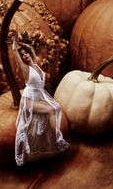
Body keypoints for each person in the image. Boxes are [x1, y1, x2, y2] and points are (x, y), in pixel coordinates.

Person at [11, 33, 70, 166]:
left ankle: (52, 145)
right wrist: (15, 42)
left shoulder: (36, 65)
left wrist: (27, 47)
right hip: (29, 101)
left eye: (26, 53)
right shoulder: (25, 68)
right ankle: (58, 138)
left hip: (39, 97)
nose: (25, 55)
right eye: (23, 55)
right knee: (51, 109)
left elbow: (32, 51)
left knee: (57, 107)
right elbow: (15, 54)